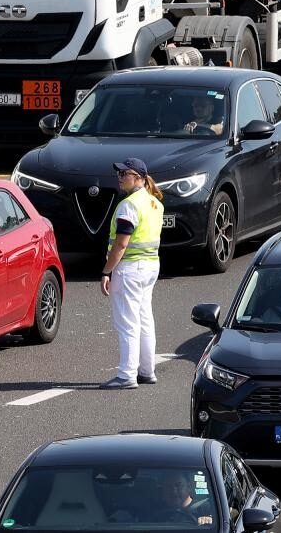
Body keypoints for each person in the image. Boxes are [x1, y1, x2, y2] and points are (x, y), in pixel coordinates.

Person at [100, 157, 164, 389]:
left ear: (138, 177)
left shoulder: (129, 206)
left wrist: (107, 271)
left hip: (129, 268)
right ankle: (146, 371)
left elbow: (121, 245)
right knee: (145, 319)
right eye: (119, 173)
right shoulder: (154, 203)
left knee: (127, 322)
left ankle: (127, 375)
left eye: (124, 174)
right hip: (150, 266)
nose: (119, 177)